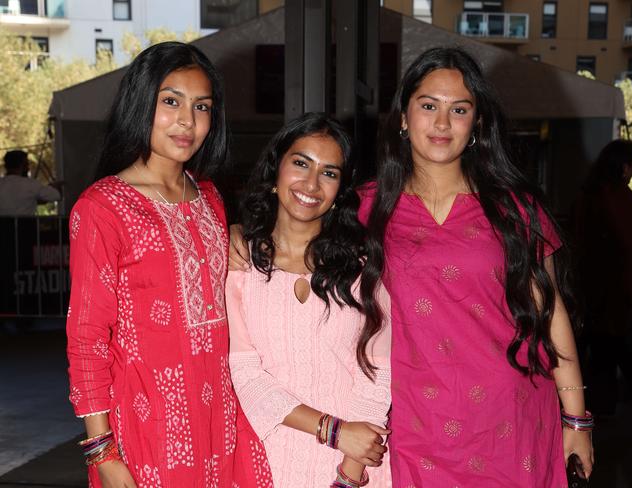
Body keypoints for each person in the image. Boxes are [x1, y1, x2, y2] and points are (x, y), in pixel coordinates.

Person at [357, 47, 593, 486]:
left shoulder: (516, 209)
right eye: (428, 106)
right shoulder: (366, 207)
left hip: (511, 420)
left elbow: (551, 314)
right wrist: (239, 234)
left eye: (459, 109)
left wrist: (576, 420)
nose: (442, 123)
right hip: (415, 426)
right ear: (404, 118)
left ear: (478, 123)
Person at [66, 42, 272, 487]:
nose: (187, 120)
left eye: (202, 107)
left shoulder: (211, 198)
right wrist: (103, 452)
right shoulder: (103, 207)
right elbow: (86, 338)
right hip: (149, 425)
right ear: (142, 102)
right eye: (171, 101)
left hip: (222, 416)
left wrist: (233, 230)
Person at [227, 112, 392, 488]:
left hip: (357, 464)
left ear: (340, 192)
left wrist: (349, 472)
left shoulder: (363, 272)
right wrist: (332, 430)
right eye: (301, 163)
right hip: (270, 460)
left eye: (329, 173)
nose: (312, 184)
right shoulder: (238, 267)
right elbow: (246, 376)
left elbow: (378, 371)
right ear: (275, 172)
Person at [574, 139, 632, 413]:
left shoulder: (586, 195)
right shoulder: (625, 200)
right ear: (625, 167)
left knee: (593, 349)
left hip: (588, 287)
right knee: (609, 348)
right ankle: (607, 403)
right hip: (615, 290)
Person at [0, 150, 61, 216]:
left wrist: (34, 201)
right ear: (22, 165)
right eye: (27, 164)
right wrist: (56, 186)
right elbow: (56, 196)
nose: (28, 168)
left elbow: (12, 202)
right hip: (26, 226)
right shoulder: (31, 184)